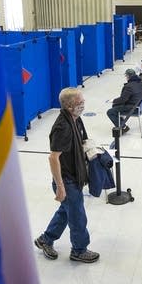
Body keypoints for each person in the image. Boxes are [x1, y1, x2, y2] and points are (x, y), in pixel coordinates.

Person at [34, 88, 100, 263]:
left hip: (74, 176)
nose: (83, 105)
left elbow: (82, 142)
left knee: (66, 211)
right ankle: (79, 250)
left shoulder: (76, 120)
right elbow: (53, 157)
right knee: (78, 216)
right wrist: (60, 187)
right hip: (66, 180)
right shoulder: (62, 127)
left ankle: (45, 240)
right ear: (70, 106)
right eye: (80, 103)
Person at [106, 69, 142, 134]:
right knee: (115, 106)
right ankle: (122, 123)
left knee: (110, 112)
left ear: (128, 76)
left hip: (133, 108)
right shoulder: (140, 82)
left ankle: (123, 127)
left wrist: (113, 100)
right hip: (138, 104)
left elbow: (123, 99)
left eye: (126, 76)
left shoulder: (129, 86)